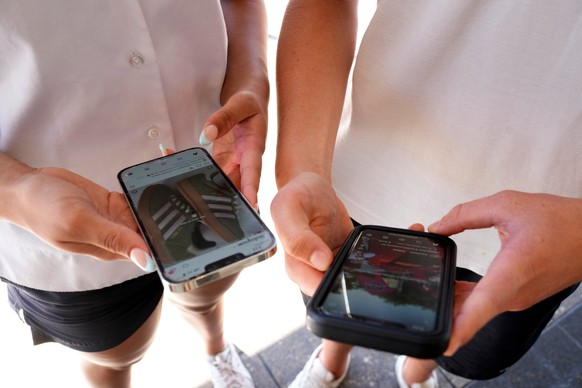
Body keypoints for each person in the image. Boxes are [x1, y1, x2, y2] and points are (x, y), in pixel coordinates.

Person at [271, 1, 582, 387]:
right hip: (367, 174)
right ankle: (332, 360)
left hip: (556, 227)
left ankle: (416, 371)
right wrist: (303, 168)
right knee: (338, 306)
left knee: (460, 345)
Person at [0, 1, 269, 387]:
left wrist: (251, 79)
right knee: (116, 356)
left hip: (207, 167)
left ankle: (218, 350)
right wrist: (14, 190)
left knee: (206, 297)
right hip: (60, 235)